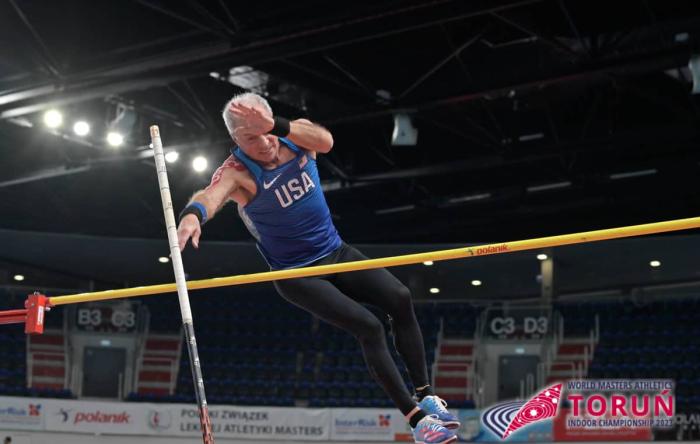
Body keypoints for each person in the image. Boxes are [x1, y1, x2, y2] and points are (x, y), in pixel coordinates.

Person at [177, 92, 459, 444]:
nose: (264, 144)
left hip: (336, 251)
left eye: (267, 132)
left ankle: (427, 395)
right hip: (296, 274)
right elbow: (210, 194)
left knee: (400, 297)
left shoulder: (295, 138)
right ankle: (417, 422)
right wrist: (193, 214)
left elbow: (325, 141)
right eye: (251, 138)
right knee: (368, 326)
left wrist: (276, 127)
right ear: (236, 138)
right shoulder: (237, 173)